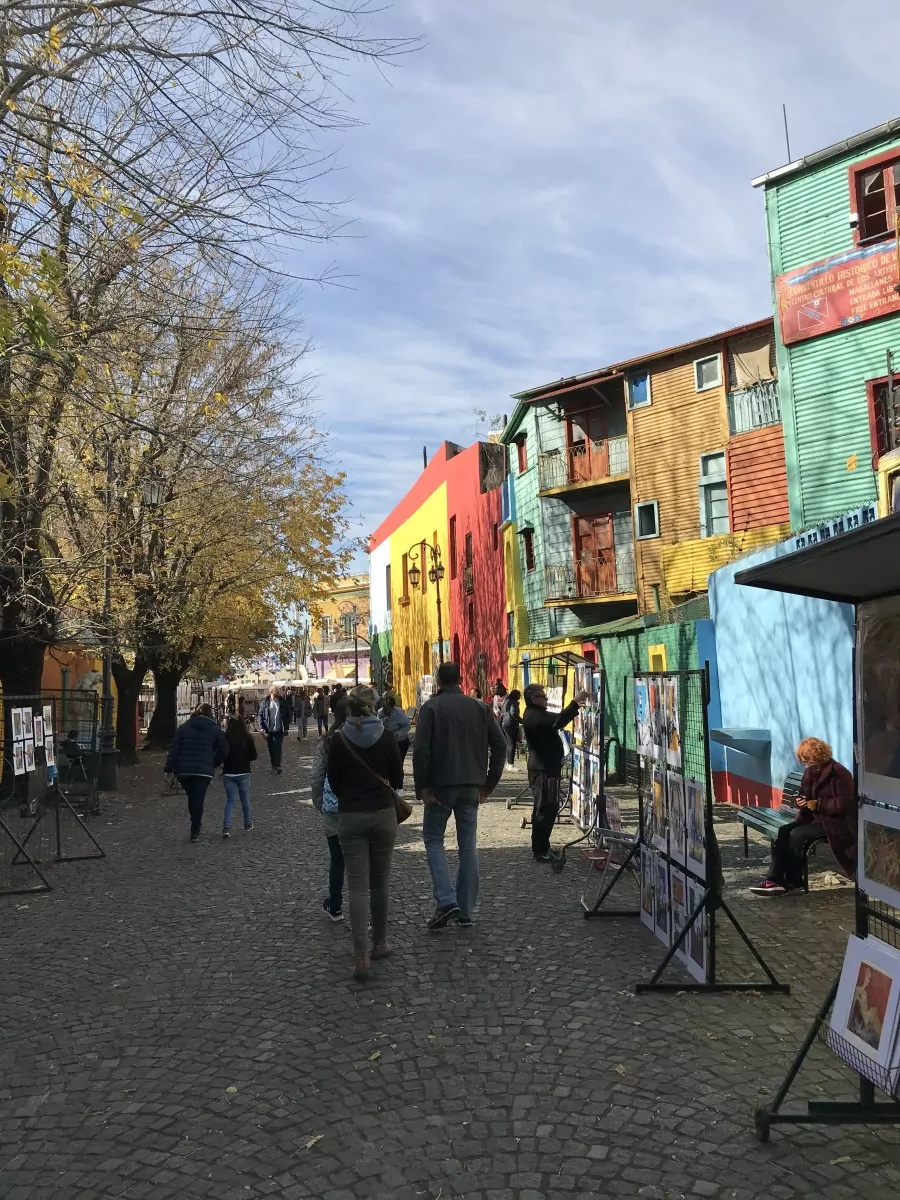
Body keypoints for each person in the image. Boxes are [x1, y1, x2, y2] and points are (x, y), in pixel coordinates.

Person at [414, 661, 507, 931]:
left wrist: (423, 787)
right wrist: (489, 784)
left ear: (439, 680)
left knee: (433, 839)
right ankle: (465, 910)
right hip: (471, 785)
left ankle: (446, 899)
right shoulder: (480, 707)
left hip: (441, 785)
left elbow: (421, 751)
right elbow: (501, 745)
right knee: (468, 844)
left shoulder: (431, 708)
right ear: (462, 679)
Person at [327, 685, 403, 980]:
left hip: (350, 816)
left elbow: (333, 783)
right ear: (374, 706)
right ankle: (380, 943)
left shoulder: (339, 739)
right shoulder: (384, 736)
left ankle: (360, 955)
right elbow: (396, 777)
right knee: (380, 882)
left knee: (357, 886)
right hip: (383, 814)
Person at [750, 737, 856, 895]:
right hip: (812, 818)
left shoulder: (839, 773)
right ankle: (775, 879)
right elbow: (804, 794)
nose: (806, 764)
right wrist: (801, 801)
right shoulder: (810, 771)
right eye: (804, 760)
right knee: (784, 831)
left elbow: (845, 803)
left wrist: (818, 804)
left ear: (817, 755)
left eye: (807, 759)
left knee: (797, 835)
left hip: (833, 822)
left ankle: (793, 881)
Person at [522, 682, 589, 862]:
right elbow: (559, 720)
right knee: (545, 808)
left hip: (548, 767)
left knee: (547, 807)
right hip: (543, 768)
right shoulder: (534, 715)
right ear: (534, 699)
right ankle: (541, 850)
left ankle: (543, 847)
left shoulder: (536, 714)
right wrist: (575, 703)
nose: (546, 699)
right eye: (543, 697)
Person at [164, 703, 229, 843]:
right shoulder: (214, 729)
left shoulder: (184, 727)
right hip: (203, 771)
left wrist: (168, 769)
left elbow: (174, 750)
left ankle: (195, 826)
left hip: (184, 770)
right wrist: (214, 762)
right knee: (198, 799)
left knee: (192, 797)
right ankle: (195, 830)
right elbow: (224, 749)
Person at [310, 695, 349, 921]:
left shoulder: (328, 740)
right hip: (362, 806)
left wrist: (319, 802)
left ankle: (335, 905)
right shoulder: (365, 737)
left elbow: (317, 776)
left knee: (337, 860)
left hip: (334, 808)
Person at [221, 715, 257, 837]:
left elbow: (222, 755)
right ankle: (247, 824)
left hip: (229, 773)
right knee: (245, 800)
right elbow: (254, 756)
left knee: (230, 800)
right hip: (244, 772)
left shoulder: (225, 738)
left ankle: (226, 827)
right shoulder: (248, 738)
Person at [258, 686, 291, 774]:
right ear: (271, 692)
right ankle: (273, 765)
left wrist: (287, 727)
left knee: (278, 747)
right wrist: (262, 727)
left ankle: (278, 765)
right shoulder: (265, 702)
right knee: (271, 748)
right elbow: (260, 715)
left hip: (279, 729)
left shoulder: (283, 701)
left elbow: (287, 714)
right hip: (269, 729)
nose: (278, 692)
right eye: (276, 691)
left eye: (278, 691)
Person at [380, 693, 411, 764]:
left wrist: (397, 734)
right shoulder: (380, 712)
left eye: (390, 708)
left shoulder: (399, 713)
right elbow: (378, 725)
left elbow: (407, 726)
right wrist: (382, 721)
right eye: (386, 708)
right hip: (386, 741)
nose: (388, 710)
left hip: (400, 741)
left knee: (399, 762)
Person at [501, 689, 522, 767]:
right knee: (512, 744)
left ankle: (508, 763)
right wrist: (521, 721)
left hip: (505, 723)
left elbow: (503, 711)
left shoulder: (506, 701)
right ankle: (511, 764)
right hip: (511, 724)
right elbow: (513, 713)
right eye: (519, 695)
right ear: (516, 695)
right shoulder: (513, 702)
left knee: (509, 744)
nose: (520, 696)